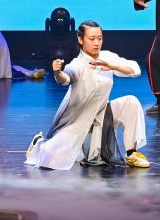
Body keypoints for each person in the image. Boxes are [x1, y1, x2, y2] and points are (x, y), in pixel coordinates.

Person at [25, 21, 148, 169]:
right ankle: (38, 144)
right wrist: (57, 72)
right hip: (78, 121)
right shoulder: (77, 64)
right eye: (92, 39)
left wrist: (112, 66)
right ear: (81, 39)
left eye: (100, 38)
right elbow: (66, 79)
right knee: (52, 159)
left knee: (131, 102)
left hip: (102, 116)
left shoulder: (106, 57)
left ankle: (131, 153)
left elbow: (136, 70)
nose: (97, 43)